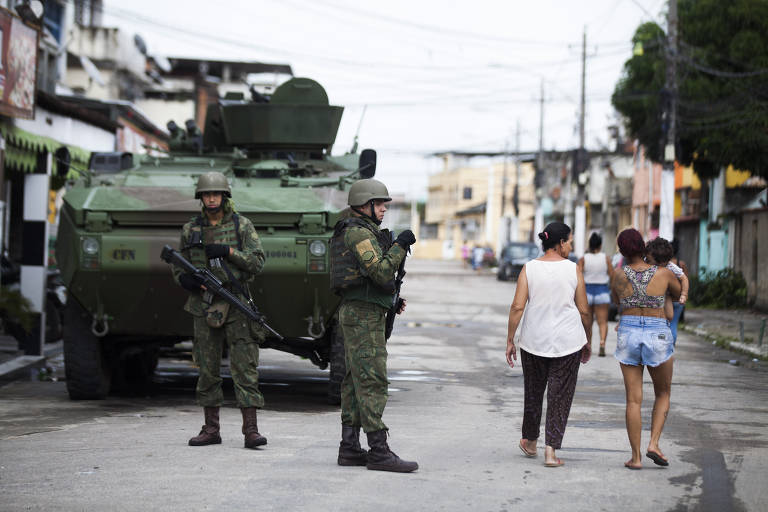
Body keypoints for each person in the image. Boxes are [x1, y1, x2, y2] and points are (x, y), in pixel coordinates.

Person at [172, 171, 268, 449]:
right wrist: (187, 281)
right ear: (200, 197)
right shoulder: (191, 229)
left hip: (237, 302)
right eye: (206, 194)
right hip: (204, 305)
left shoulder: (242, 226)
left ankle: (251, 430)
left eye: (216, 193)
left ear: (224, 196)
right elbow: (178, 266)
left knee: (245, 368)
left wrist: (228, 252)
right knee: (207, 367)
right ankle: (210, 428)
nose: (211, 198)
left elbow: (258, 262)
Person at [329, 178, 418, 473]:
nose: (383, 210)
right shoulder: (357, 233)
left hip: (364, 310)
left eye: (384, 205)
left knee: (356, 380)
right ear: (364, 205)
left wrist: (391, 299)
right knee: (372, 379)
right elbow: (380, 272)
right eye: (379, 204)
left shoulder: (363, 232)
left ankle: (350, 447)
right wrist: (400, 246)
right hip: (362, 315)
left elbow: (372, 281)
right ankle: (379, 450)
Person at [505, 221, 592, 468]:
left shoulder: (529, 268)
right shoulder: (573, 269)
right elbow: (584, 310)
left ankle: (530, 441)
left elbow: (517, 307)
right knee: (559, 396)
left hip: (533, 341)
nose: (571, 246)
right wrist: (588, 340)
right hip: (568, 341)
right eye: (570, 241)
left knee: (533, 393)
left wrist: (510, 339)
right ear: (561, 243)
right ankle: (551, 451)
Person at [611, 228, 681, 469]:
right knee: (663, 393)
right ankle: (653, 443)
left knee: (633, 400)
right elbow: (680, 293)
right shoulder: (663, 273)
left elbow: (617, 302)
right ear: (643, 247)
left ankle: (636, 457)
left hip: (628, 331)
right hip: (657, 331)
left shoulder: (618, 275)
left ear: (621, 251)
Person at [645, 237, 689, 343]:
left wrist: (684, 294)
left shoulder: (670, 266)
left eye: (649, 260)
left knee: (669, 316)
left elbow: (684, 278)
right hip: (651, 295)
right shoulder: (647, 265)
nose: (647, 262)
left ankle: (665, 339)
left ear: (662, 262)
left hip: (666, 294)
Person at [578, 232, 614, 357]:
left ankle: (588, 345)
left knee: (587, 323)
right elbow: (612, 274)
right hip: (602, 291)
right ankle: (602, 344)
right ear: (600, 244)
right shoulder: (606, 258)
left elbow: (578, 276)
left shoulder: (584, 258)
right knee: (602, 322)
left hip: (587, 292)